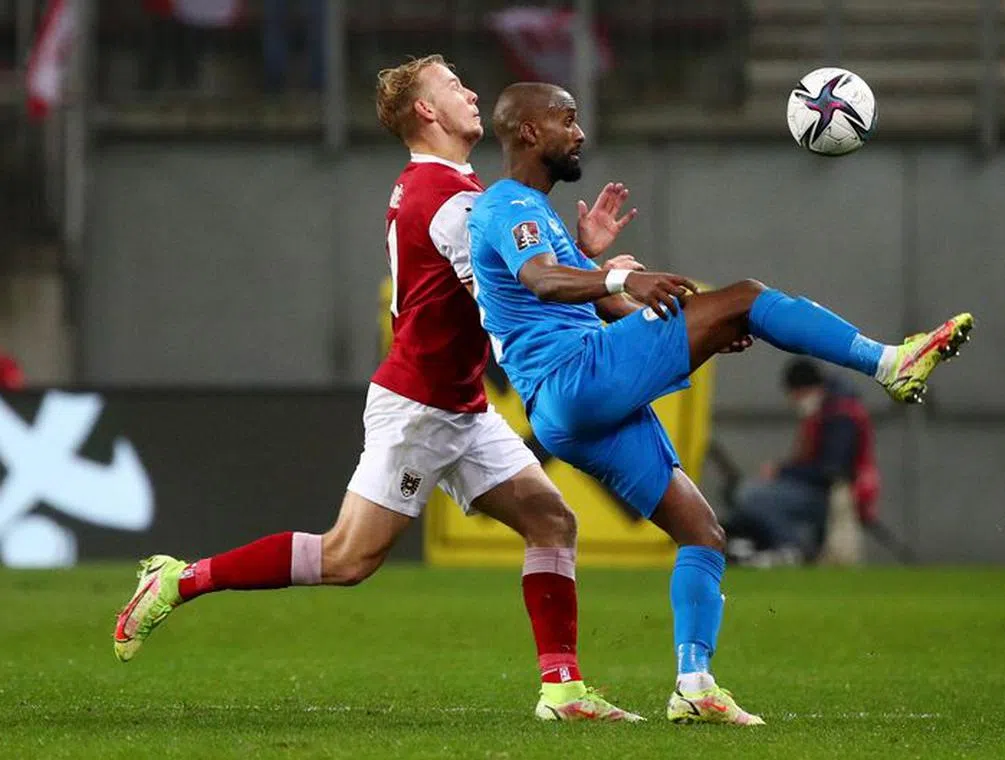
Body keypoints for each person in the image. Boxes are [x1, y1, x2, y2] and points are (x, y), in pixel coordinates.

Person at [112, 55, 644, 723]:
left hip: (458, 402)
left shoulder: (446, 186)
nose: (471, 92)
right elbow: (516, 298)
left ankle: (563, 690)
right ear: (426, 112)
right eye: (452, 87)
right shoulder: (454, 203)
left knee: (550, 520)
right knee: (347, 558)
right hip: (420, 407)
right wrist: (601, 278)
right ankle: (180, 579)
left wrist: (582, 260)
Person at [468, 81, 973, 726]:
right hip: (577, 377)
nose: (580, 132)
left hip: (575, 399)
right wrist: (625, 275)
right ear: (530, 133)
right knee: (746, 294)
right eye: (567, 119)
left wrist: (619, 277)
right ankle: (889, 362)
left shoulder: (533, 214)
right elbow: (542, 279)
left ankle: (694, 683)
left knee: (702, 530)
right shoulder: (507, 204)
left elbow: (599, 302)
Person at [724, 358, 879, 566]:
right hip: (822, 491)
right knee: (751, 495)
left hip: (831, 496)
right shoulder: (832, 410)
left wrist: (783, 472)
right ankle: (779, 548)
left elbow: (831, 470)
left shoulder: (839, 415)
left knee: (751, 496)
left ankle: (791, 549)